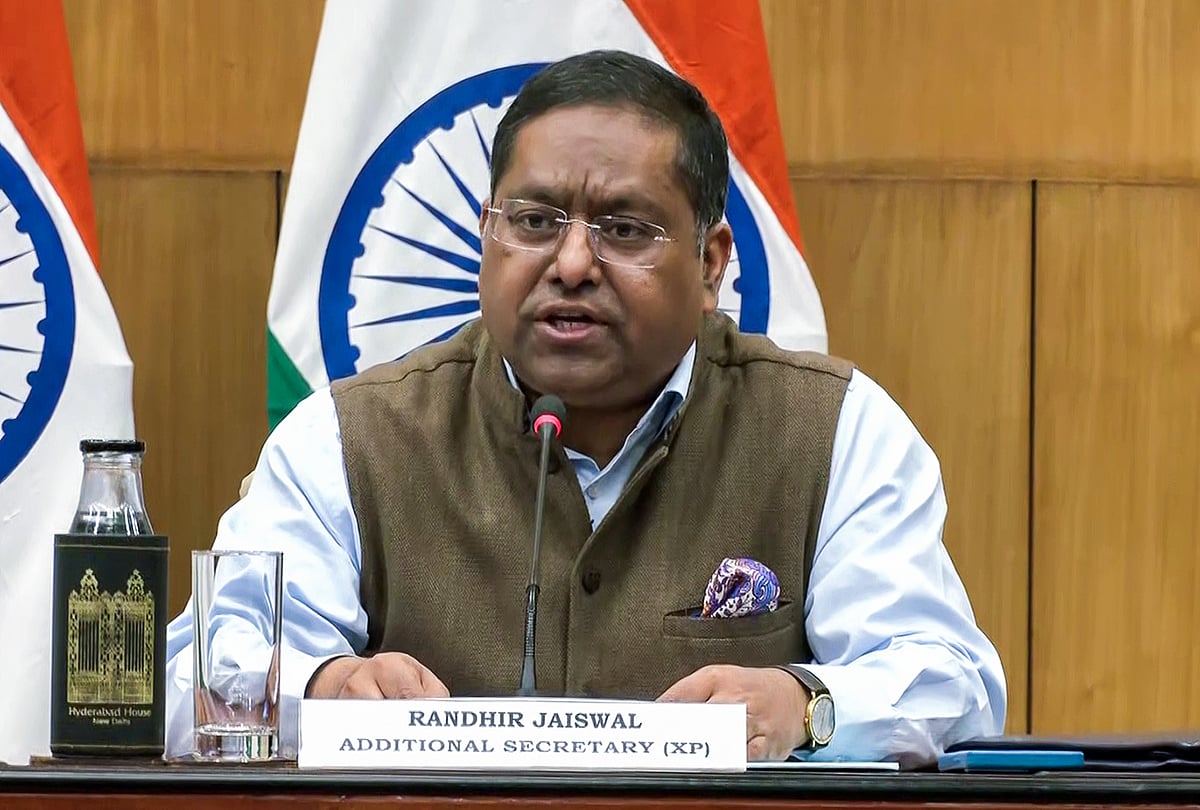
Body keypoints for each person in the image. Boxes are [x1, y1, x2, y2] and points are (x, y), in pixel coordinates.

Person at [163, 49, 1005, 765]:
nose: (570, 263)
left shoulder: (832, 432)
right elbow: (190, 682)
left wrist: (807, 705)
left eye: (625, 231)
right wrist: (322, 687)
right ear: (487, 235)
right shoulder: (349, 439)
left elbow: (950, 682)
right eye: (533, 221)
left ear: (712, 265)